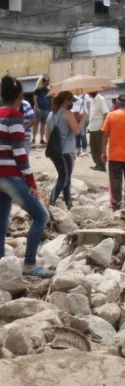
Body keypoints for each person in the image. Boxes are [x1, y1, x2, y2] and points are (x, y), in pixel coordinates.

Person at [0, 76, 53, 278]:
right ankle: (30, 264)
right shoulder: (14, 116)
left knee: (2, 221)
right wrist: (31, 182)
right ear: (20, 97)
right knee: (41, 216)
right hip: (10, 176)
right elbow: (20, 153)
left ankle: (2, 263)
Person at [47, 91, 87, 210]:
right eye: (70, 101)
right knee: (64, 177)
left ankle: (68, 202)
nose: (71, 103)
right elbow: (77, 131)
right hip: (67, 150)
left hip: (54, 151)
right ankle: (51, 201)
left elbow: (47, 135)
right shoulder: (68, 114)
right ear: (65, 101)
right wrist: (83, 119)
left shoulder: (51, 115)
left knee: (65, 176)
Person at [87, 91, 110, 172]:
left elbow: (106, 113)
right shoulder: (92, 100)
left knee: (99, 147)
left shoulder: (100, 99)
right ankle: (98, 163)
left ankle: (102, 165)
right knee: (93, 146)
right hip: (92, 127)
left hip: (99, 127)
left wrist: (104, 127)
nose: (88, 93)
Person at [32, 77, 51, 145]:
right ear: (42, 83)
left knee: (43, 124)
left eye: (47, 83)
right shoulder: (38, 90)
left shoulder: (49, 90)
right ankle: (34, 138)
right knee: (36, 123)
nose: (47, 84)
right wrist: (37, 108)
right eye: (46, 83)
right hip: (39, 109)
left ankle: (42, 139)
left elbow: (50, 100)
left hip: (46, 110)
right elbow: (35, 99)